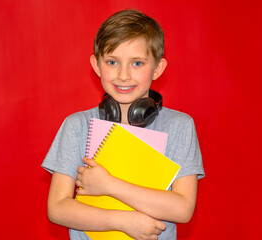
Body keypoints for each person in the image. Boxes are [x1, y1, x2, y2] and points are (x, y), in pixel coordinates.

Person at [42, 9, 204, 240]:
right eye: (112, 62)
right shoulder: (77, 125)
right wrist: (124, 221)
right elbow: (57, 208)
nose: (124, 75)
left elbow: (183, 209)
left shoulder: (180, 126)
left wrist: (109, 185)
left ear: (157, 68)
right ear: (96, 65)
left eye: (137, 63)